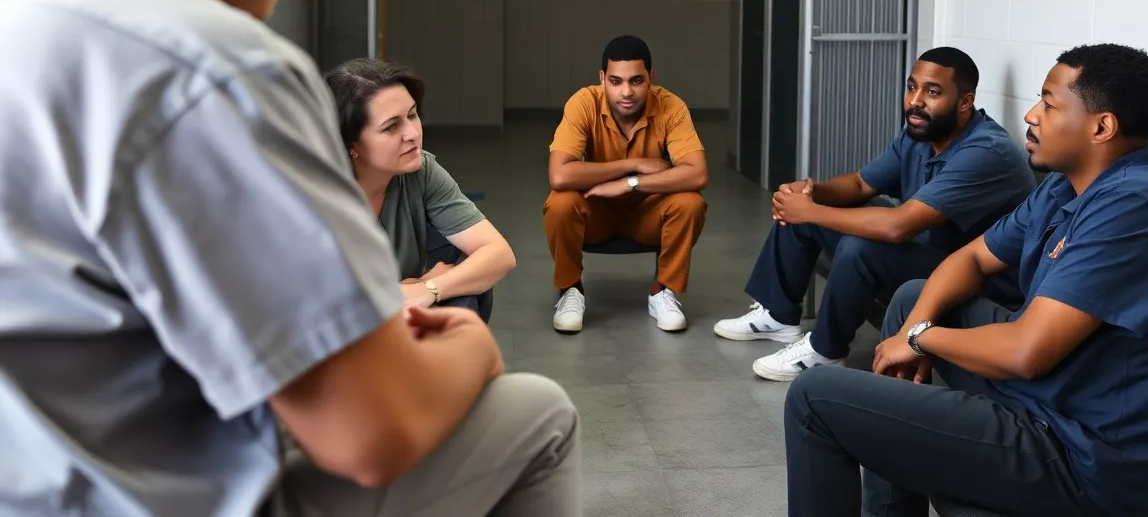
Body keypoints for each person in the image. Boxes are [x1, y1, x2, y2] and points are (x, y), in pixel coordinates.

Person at [0, 0, 579, 517]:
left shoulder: (17, 9)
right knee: (537, 410)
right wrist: (474, 344)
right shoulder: (217, 64)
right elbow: (370, 432)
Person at [786, 44, 1148, 517]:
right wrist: (919, 326)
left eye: (1050, 105)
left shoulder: (1138, 208)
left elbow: (1024, 352)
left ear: (1101, 127)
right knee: (914, 297)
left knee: (814, 398)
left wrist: (921, 338)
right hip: (1050, 401)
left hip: (1081, 458)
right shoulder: (1065, 185)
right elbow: (968, 259)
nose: (1032, 116)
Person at [715, 47, 1036, 381]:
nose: (916, 100)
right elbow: (858, 184)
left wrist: (809, 211)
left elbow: (899, 226)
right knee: (803, 210)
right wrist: (810, 191)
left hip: (979, 280)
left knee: (857, 245)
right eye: (911, 87)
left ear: (965, 101)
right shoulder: (921, 134)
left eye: (933, 92)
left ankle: (825, 350)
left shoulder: (986, 153)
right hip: (933, 254)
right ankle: (778, 317)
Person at [325, 58, 516, 323]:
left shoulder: (420, 170)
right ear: (350, 145)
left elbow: (499, 254)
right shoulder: (315, 197)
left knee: (466, 291)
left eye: (412, 115)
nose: (412, 134)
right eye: (391, 126)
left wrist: (427, 288)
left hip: (392, 321)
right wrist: (409, 287)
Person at [545, 35, 709, 334]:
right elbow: (559, 175)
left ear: (651, 78)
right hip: (598, 213)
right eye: (616, 81)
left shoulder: (671, 105)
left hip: (647, 214)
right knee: (560, 201)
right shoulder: (583, 102)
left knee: (690, 202)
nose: (626, 92)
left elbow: (697, 174)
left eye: (636, 81)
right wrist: (630, 165)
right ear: (602, 78)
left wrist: (630, 183)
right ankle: (571, 290)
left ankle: (662, 290)